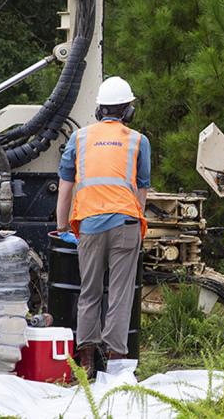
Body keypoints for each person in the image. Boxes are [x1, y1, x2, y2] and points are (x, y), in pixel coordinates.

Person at [56, 76, 150, 374]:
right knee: (121, 294)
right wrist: (135, 222)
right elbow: (142, 190)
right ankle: (115, 362)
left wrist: (62, 226)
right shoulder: (138, 140)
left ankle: (85, 360)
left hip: (90, 225)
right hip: (126, 223)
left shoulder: (79, 138)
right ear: (128, 112)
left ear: (99, 110)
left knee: (90, 291)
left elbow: (65, 186)